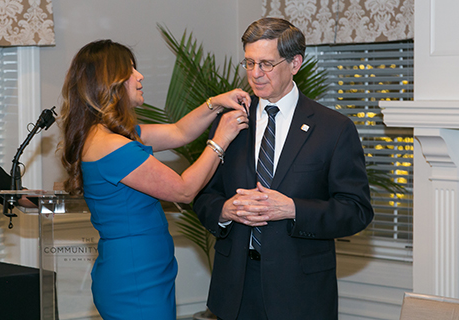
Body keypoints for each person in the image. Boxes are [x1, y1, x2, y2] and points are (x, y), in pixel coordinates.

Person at [193, 18, 374, 320]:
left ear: (295, 63)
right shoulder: (229, 122)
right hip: (235, 289)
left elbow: (356, 211)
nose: (255, 74)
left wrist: (293, 209)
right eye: (249, 63)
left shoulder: (333, 128)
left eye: (266, 64)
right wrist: (225, 210)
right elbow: (202, 196)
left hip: (301, 292)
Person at [59, 39, 250, 320]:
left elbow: (179, 132)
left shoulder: (110, 135)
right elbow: (183, 190)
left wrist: (215, 104)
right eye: (131, 71)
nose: (140, 76)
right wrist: (221, 140)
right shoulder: (110, 145)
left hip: (141, 269)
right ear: (110, 82)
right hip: (135, 276)